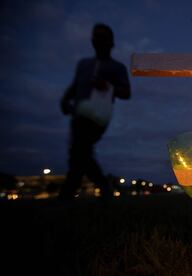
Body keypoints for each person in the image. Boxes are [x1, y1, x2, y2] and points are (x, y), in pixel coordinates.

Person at [59, 23, 131, 200]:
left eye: (103, 37)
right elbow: (75, 85)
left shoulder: (117, 67)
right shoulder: (84, 64)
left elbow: (126, 92)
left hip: (98, 117)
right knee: (80, 152)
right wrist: (64, 100)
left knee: (79, 150)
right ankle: (101, 187)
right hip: (79, 113)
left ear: (111, 42)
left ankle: (70, 194)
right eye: (96, 36)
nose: (98, 40)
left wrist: (107, 86)